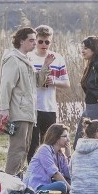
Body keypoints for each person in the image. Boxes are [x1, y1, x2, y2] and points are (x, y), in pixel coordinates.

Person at [0, 27, 52, 175]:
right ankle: (8, 180)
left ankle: (17, 178)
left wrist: (46, 65)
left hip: (28, 112)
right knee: (18, 147)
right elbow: (6, 86)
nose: (35, 43)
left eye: (35, 40)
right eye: (31, 40)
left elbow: (37, 83)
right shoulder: (13, 59)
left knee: (26, 147)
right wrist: (4, 109)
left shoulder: (26, 60)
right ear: (21, 41)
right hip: (18, 111)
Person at [26, 25, 69, 162]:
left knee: (50, 142)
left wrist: (54, 81)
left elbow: (67, 84)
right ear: (35, 40)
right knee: (32, 143)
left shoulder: (58, 58)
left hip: (49, 106)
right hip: (32, 106)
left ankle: (50, 168)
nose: (43, 45)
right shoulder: (29, 57)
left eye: (47, 42)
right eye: (40, 41)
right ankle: (33, 170)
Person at [24, 123, 71, 194]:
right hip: (36, 186)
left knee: (73, 182)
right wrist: (71, 190)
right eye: (65, 136)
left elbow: (69, 174)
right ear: (56, 137)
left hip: (48, 183)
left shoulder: (60, 154)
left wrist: (69, 156)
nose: (68, 140)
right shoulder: (44, 149)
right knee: (62, 186)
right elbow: (55, 174)